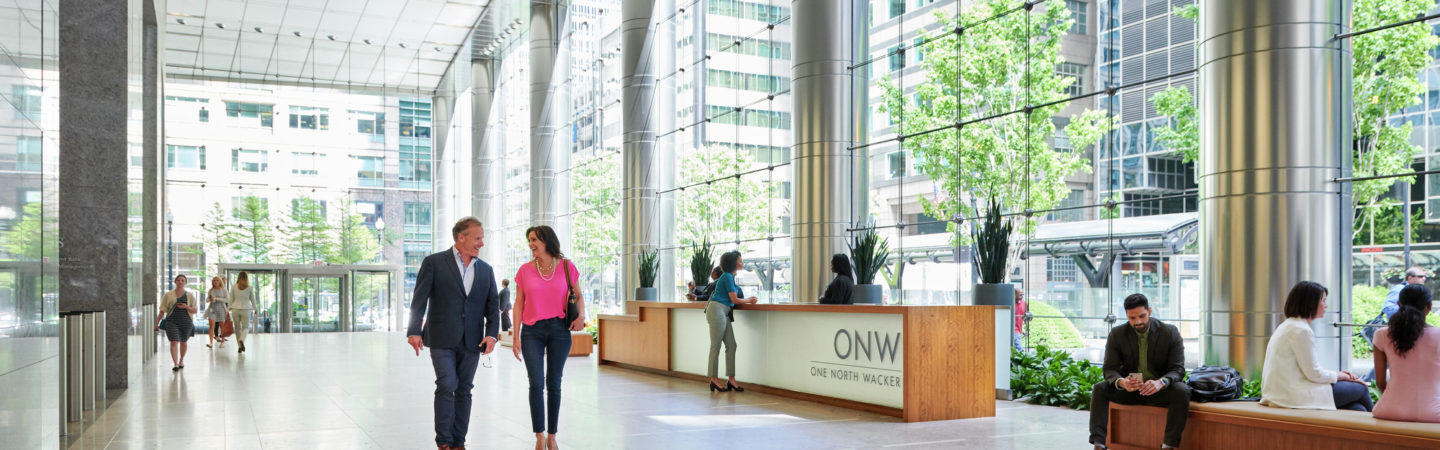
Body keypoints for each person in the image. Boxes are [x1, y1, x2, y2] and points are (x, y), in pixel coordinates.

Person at [407, 217, 501, 450]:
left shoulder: (486, 270)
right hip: (441, 337)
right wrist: (414, 330)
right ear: (462, 237)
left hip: (473, 340)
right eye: (478, 238)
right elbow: (419, 299)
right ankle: (444, 442)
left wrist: (491, 335)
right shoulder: (434, 262)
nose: (482, 243)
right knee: (447, 384)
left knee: (465, 388)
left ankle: (459, 441)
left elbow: (493, 307)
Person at [511, 225, 585, 450]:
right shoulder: (524, 270)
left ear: (546, 240)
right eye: (529, 240)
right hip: (532, 331)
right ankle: (539, 435)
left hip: (559, 330)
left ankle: (552, 436)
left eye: (535, 239)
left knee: (554, 383)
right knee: (536, 383)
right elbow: (518, 304)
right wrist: (516, 336)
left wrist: (582, 316)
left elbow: (579, 295)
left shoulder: (566, 267)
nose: (531, 244)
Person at [1089, 293, 1189, 450]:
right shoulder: (1117, 334)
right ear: (1127, 316)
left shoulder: (1169, 332)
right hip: (1130, 390)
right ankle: (1099, 444)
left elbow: (1178, 369)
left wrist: (1160, 382)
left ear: (1149, 310)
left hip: (1159, 390)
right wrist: (1122, 382)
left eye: (1142, 316)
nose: (1138, 322)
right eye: (1132, 318)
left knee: (1181, 390)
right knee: (1100, 388)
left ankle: (1168, 445)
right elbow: (1110, 368)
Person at [1260, 281, 1372, 412]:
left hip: (1281, 393)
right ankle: (1379, 430)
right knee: (1361, 388)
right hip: (1291, 395)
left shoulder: (1289, 325)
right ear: (1310, 302)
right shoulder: (1301, 330)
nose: (1326, 305)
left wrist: (1338, 375)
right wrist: (1341, 375)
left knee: (1358, 409)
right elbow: (1314, 374)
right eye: (1323, 301)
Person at [1372, 283, 1440, 422]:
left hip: (1389, 410)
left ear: (1398, 304)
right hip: (1434, 414)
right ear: (1429, 306)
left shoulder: (1382, 335)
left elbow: (1380, 382)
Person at [707, 251, 759, 393]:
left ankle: (731, 380)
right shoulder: (728, 276)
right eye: (740, 261)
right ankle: (714, 379)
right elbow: (735, 299)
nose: (742, 263)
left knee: (732, 345)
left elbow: (733, 298)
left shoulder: (730, 277)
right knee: (715, 346)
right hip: (717, 310)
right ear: (734, 263)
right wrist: (750, 300)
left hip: (723, 312)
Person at [156, 274, 197, 371]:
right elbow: (162, 310)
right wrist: (156, 323)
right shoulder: (168, 295)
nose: (180, 282)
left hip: (186, 321)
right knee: (174, 341)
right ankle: (175, 363)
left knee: (183, 342)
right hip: (171, 321)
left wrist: (186, 307)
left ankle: (181, 360)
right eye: (178, 280)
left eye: (182, 280)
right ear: (175, 282)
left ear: (185, 282)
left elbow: (195, 311)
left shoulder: (189, 296)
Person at [228, 271, 255, 354]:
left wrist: (228, 309)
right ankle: (241, 339)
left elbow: (231, 299)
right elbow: (253, 300)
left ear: (238, 277)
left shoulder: (233, 287)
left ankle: (239, 346)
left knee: (237, 329)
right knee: (245, 327)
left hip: (235, 309)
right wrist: (255, 308)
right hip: (246, 309)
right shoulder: (250, 288)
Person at [205, 276, 229, 349]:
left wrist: (217, 298)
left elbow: (227, 300)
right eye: (214, 280)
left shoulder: (224, 290)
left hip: (221, 309)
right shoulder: (211, 290)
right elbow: (206, 300)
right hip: (212, 309)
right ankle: (211, 343)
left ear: (220, 281)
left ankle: (222, 342)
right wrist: (210, 299)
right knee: (211, 326)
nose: (215, 282)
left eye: (217, 280)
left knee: (222, 327)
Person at [1013, 287, 1029, 352]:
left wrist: (1027, 330)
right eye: (1020, 294)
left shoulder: (1024, 303)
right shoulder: (1010, 302)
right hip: (1013, 329)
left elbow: (1026, 317)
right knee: (1019, 348)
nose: (1022, 296)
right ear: (1015, 294)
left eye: (1023, 294)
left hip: (1019, 330)